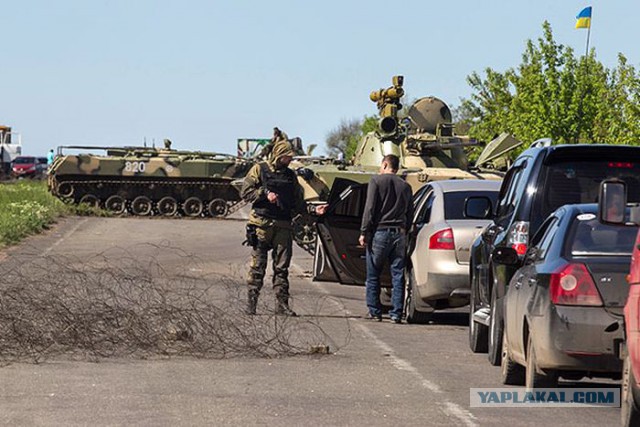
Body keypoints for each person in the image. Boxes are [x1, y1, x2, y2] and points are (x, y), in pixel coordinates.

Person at [241, 140, 327, 316]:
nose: (290, 160)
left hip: (283, 226)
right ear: (279, 155)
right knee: (258, 267)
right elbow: (245, 192)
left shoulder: (290, 176)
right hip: (261, 225)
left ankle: (282, 305)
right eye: (288, 157)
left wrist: (313, 209)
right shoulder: (260, 169)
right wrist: (264, 194)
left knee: (282, 268)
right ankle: (252, 304)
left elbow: (297, 203)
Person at [359, 154, 413, 323]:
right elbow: (409, 212)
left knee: (373, 273)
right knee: (397, 275)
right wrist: (406, 229)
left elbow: (369, 208)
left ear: (384, 165)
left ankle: (375, 311)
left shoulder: (376, 181)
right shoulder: (406, 186)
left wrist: (363, 232)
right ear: (396, 168)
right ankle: (396, 313)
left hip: (380, 232)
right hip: (400, 233)